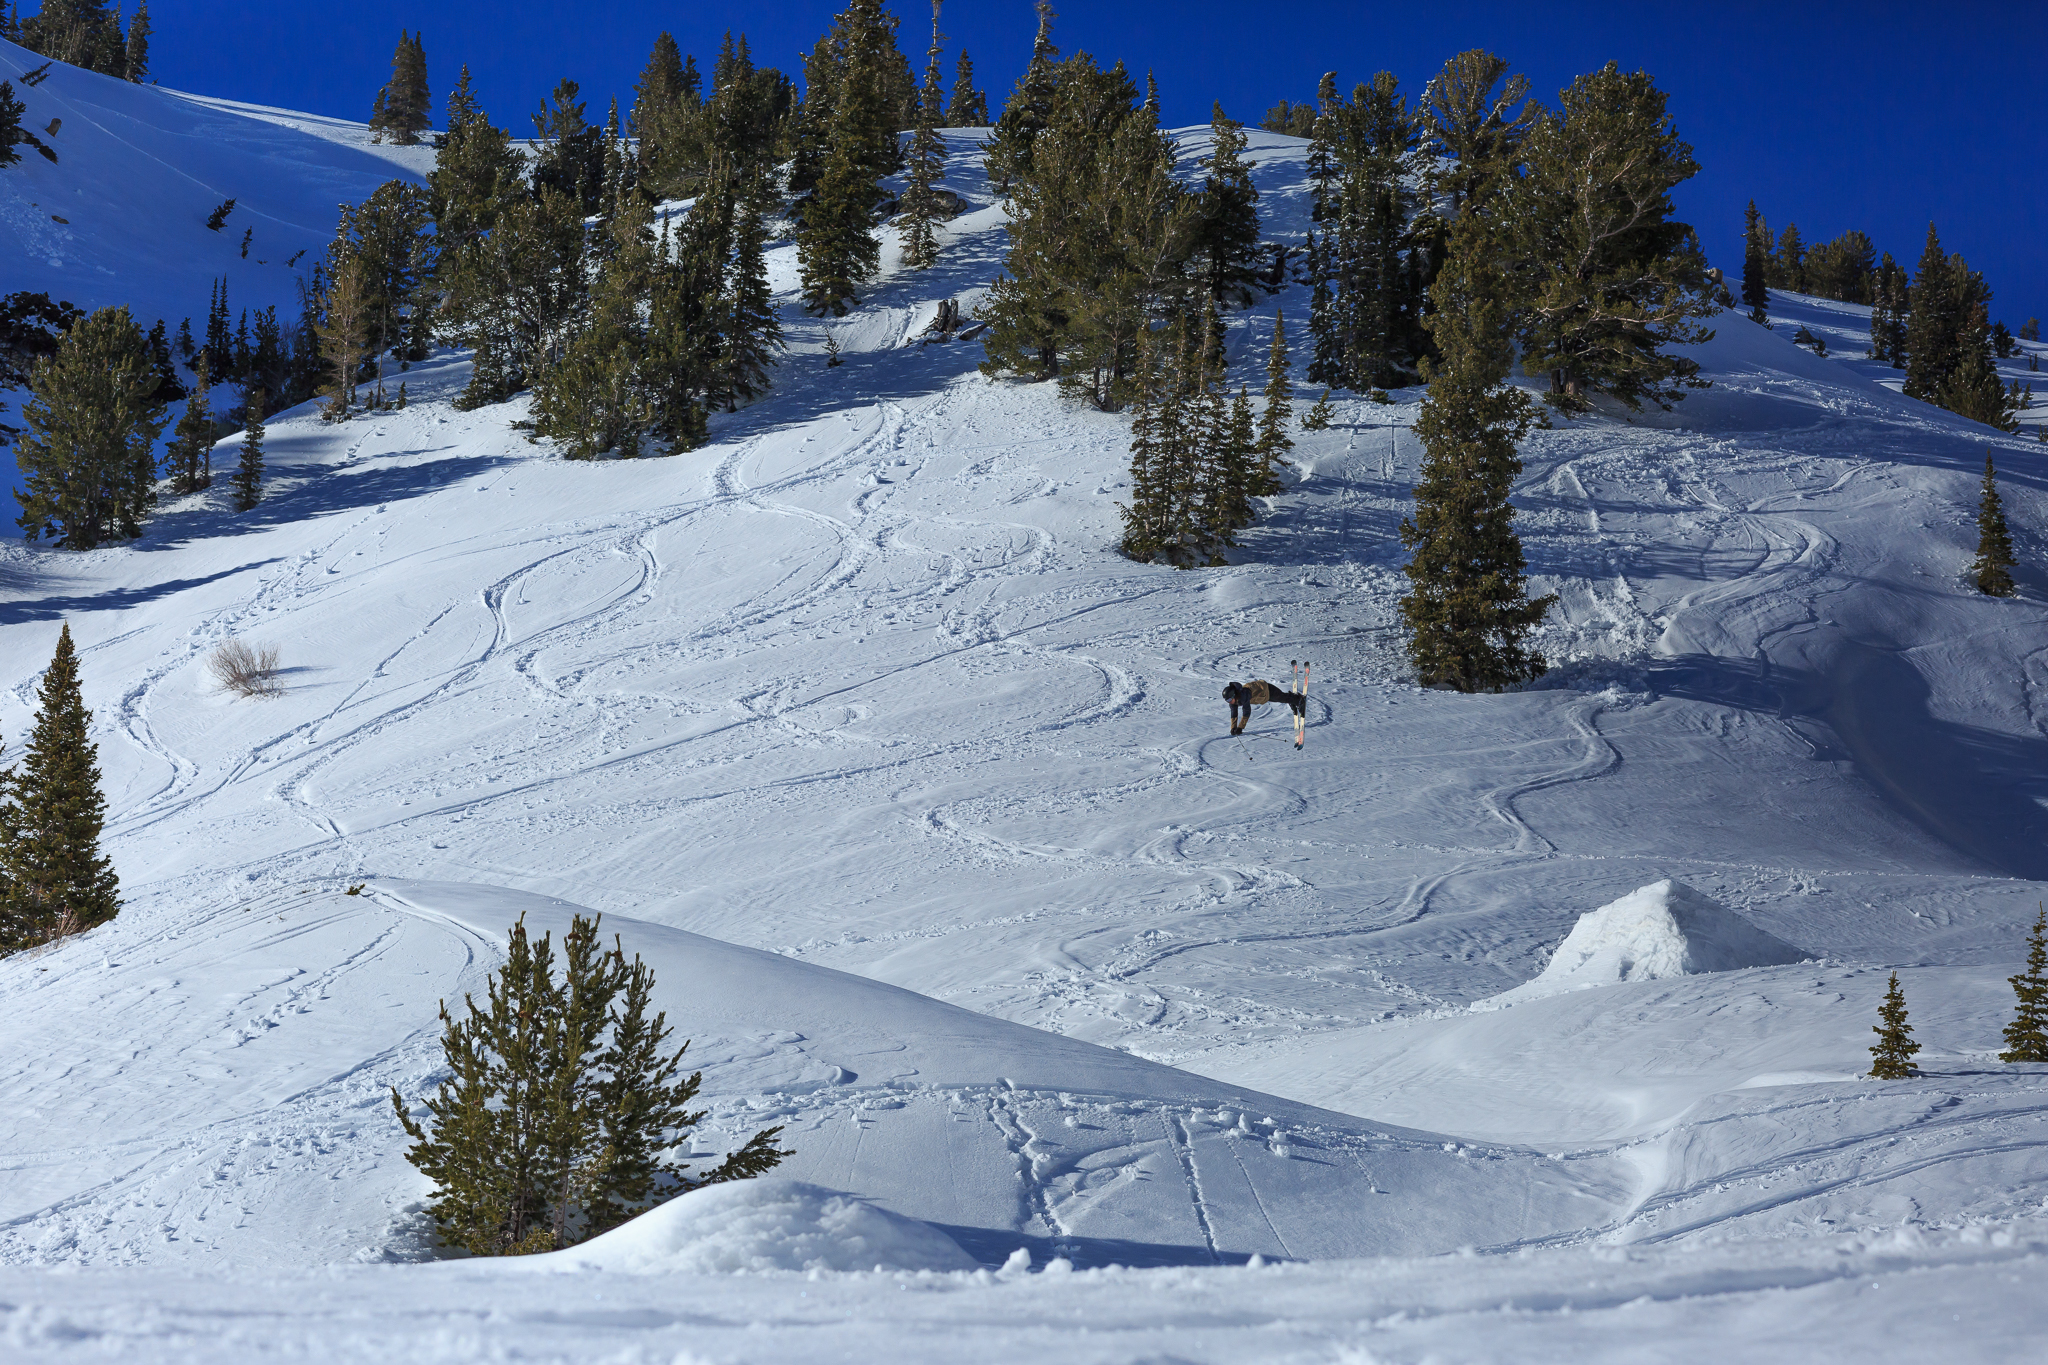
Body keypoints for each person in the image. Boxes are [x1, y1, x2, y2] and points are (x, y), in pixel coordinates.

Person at [1223, 678, 1305, 736]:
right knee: (1282, 698)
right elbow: (1234, 713)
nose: (1229, 702)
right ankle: (1292, 699)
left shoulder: (1244, 695)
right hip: (1263, 695)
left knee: (1281, 697)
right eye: (1227, 700)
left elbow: (1246, 711)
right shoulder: (1233, 700)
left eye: (1229, 699)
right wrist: (1233, 727)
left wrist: (1240, 727)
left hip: (1266, 689)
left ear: (1234, 695)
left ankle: (1299, 700)